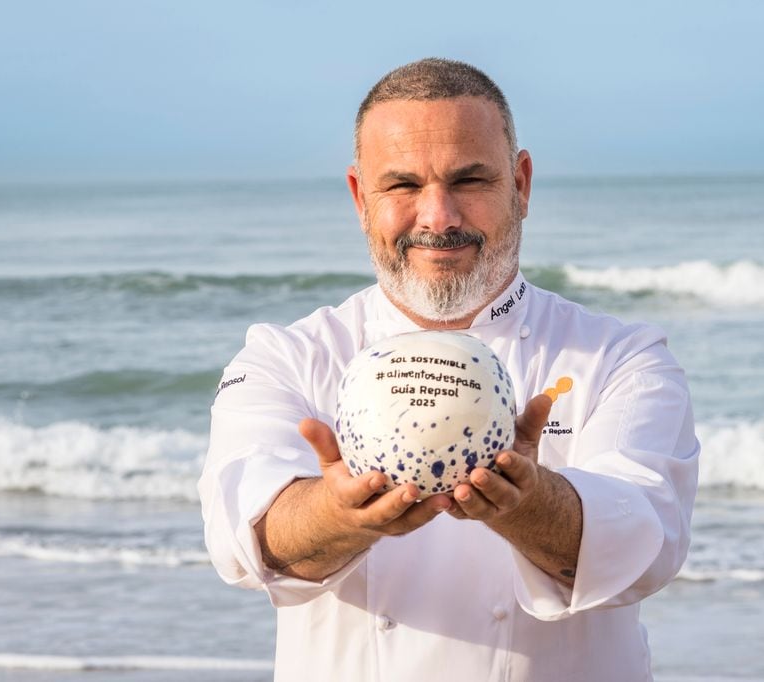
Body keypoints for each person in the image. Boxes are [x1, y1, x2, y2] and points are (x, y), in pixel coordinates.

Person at [199, 58, 699, 681]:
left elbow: (647, 544)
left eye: (470, 180)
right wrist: (337, 513)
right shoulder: (287, 357)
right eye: (403, 185)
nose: (438, 217)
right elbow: (241, 542)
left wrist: (526, 504)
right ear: (360, 197)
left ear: (521, 183)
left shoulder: (621, 359)